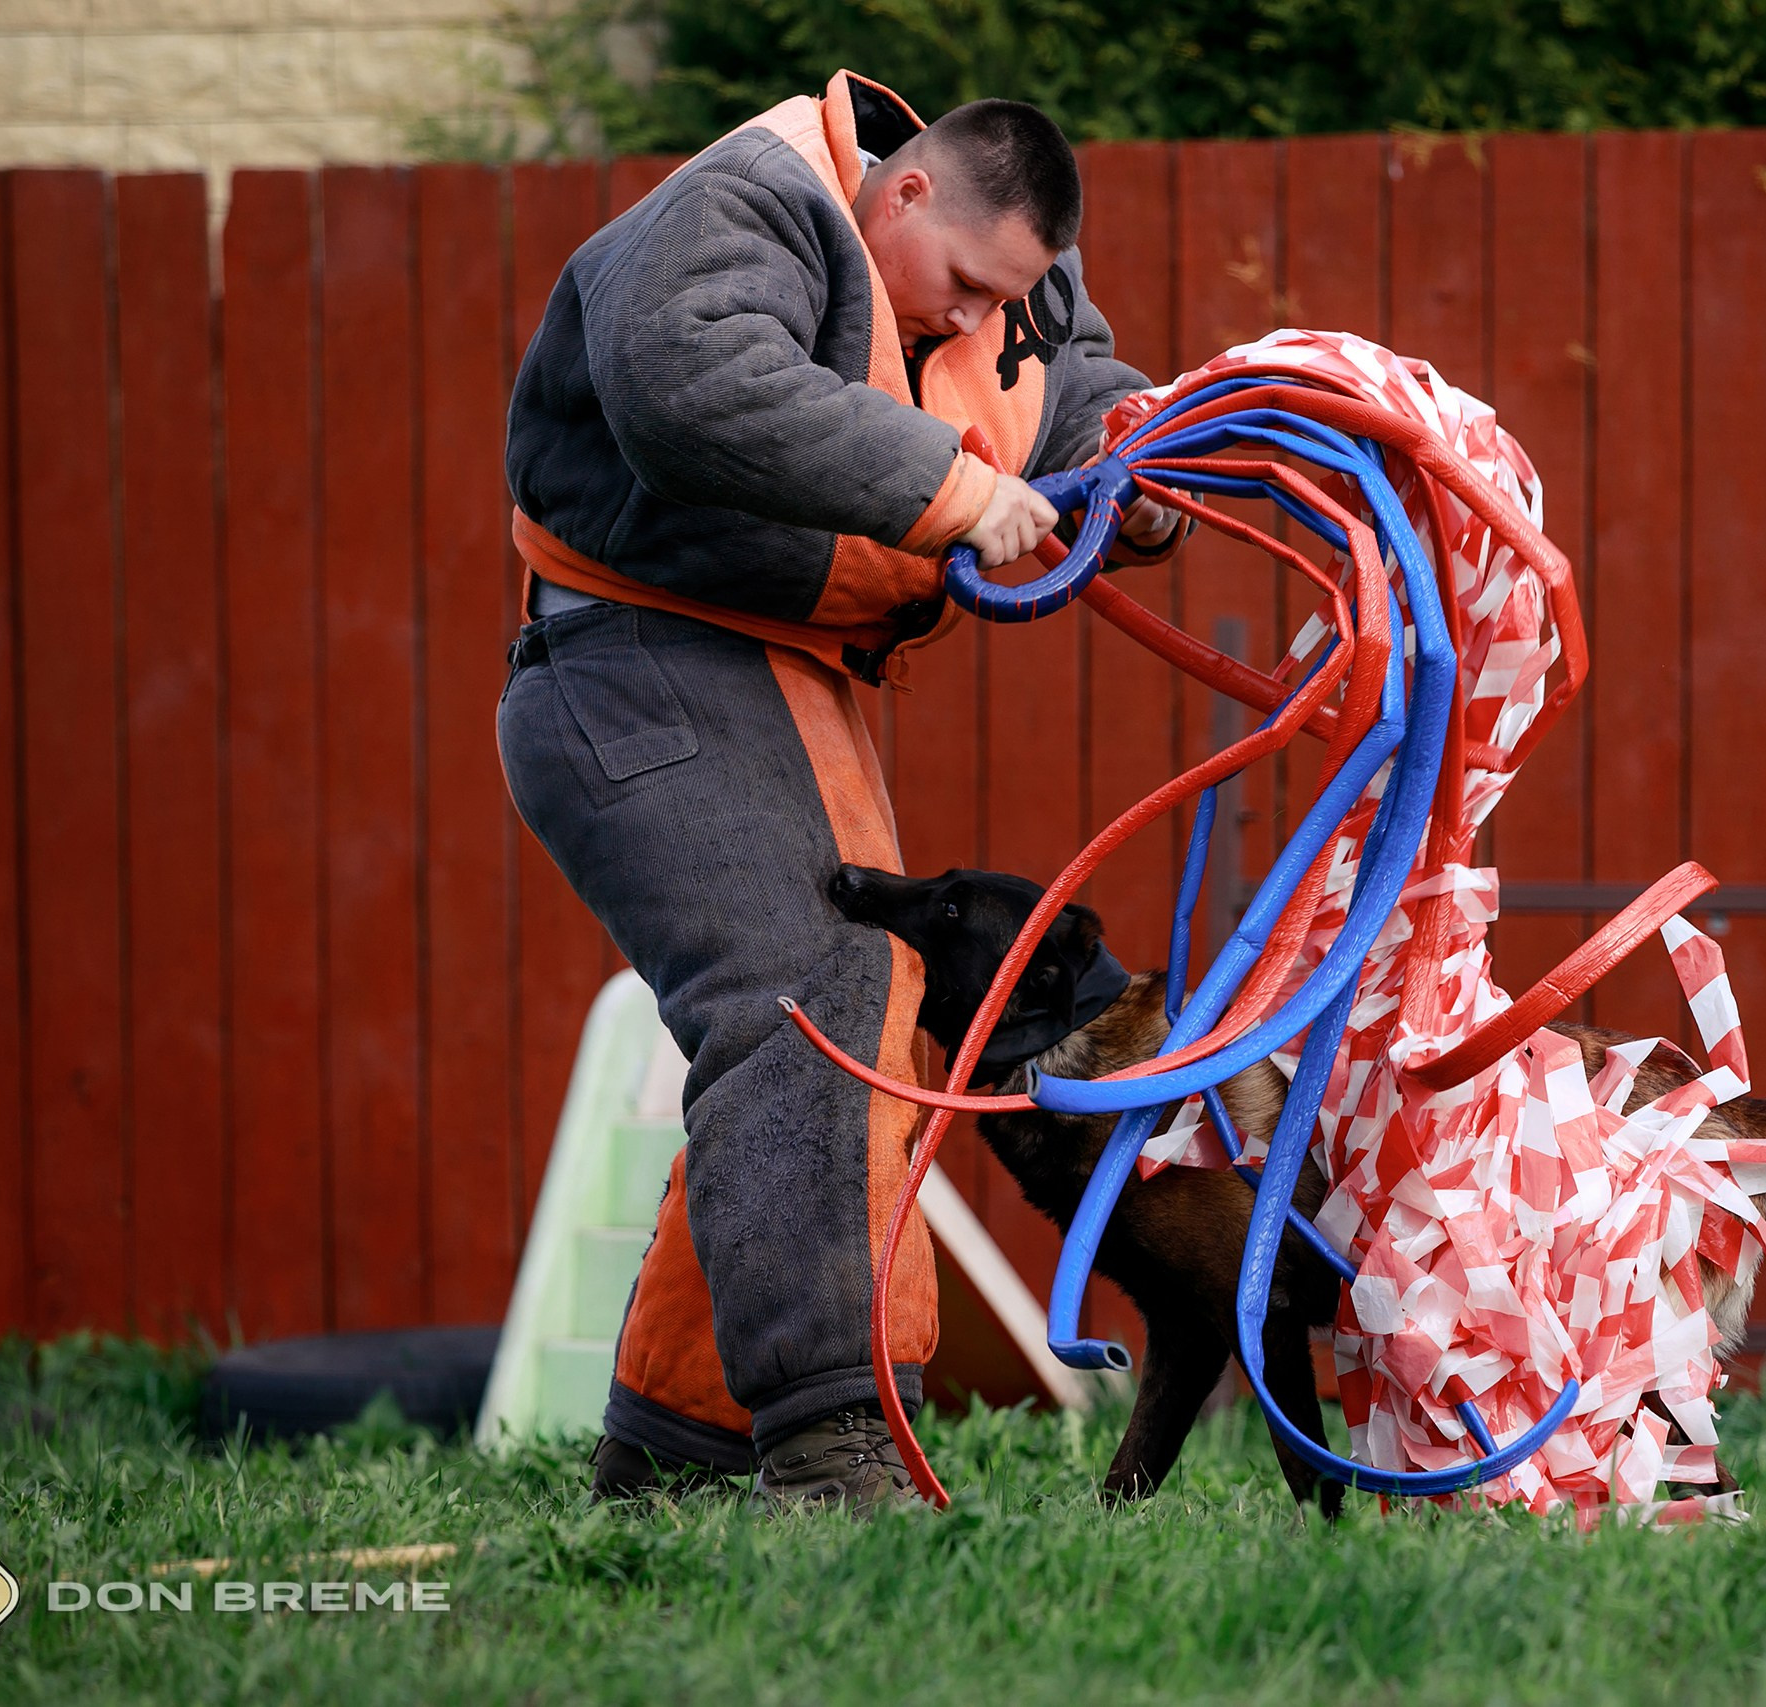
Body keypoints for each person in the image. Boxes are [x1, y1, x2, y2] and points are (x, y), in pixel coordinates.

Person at [498, 71, 1181, 1514]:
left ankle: (679, 1455)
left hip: (786, 682)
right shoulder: (743, 208)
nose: (974, 320)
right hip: (639, 666)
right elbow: (689, 383)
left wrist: (1142, 469)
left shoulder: (1006, 280)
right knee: (817, 999)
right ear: (906, 189)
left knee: (854, 1005)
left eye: (1004, 300)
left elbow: (1073, 386)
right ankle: (831, 1451)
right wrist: (960, 494)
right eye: (962, 287)